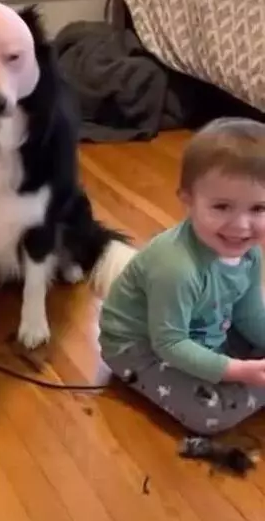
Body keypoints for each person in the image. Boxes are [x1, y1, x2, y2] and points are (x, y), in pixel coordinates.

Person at [98, 117, 265, 435]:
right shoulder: (176, 267)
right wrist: (237, 370)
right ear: (188, 199)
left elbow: (249, 312)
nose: (241, 226)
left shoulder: (250, 252)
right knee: (210, 415)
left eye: (258, 209)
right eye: (222, 206)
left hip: (202, 325)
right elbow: (169, 342)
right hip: (140, 346)